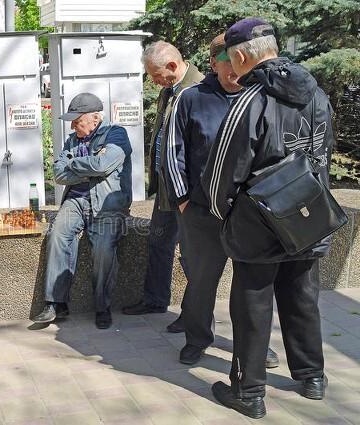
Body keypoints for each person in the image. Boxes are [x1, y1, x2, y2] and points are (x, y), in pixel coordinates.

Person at [201, 18, 333, 418]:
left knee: (252, 307)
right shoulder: (316, 93)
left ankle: (249, 391)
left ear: (240, 56)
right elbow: (322, 155)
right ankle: (312, 377)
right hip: (309, 216)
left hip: (260, 224)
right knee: (302, 297)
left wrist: (221, 213)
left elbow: (223, 171)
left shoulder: (250, 100)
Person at [163, 33, 279, 367]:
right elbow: (173, 153)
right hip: (201, 213)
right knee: (201, 283)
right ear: (214, 62)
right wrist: (184, 201)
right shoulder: (191, 98)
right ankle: (197, 338)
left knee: (254, 289)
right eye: (227, 61)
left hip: (249, 214)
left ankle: (254, 345)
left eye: (239, 61)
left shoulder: (260, 96)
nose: (235, 69)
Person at [31, 92, 132, 329]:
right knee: (58, 234)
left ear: (95, 118)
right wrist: (90, 168)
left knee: (104, 249)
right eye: (73, 121)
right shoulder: (72, 141)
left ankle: (102, 306)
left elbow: (104, 164)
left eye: (78, 121)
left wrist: (74, 165)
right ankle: (56, 303)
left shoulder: (116, 135)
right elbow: (58, 174)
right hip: (75, 201)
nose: (74, 125)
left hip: (107, 204)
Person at [122, 41, 203, 334]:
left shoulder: (198, 90)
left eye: (155, 75)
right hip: (167, 189)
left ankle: (193, 313)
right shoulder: (169, 91)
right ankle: (155, 300)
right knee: (158, 243)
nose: (153, 81)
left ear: (172, 66)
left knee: (192, 257)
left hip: (186, 192)